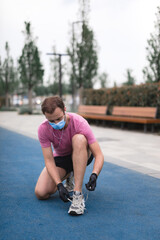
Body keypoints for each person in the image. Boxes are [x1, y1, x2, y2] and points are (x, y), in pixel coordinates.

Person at [35, 96, 104, 216]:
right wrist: (59, 185)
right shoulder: (43, 129)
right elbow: (49, 160)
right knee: (41, 193)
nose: (56, 123)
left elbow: (99, 154)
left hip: (82, 153)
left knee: (79, 138)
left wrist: (94, 175)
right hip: (62, 158)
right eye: (51, 121)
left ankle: (78, 194)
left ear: (65, 109)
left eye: (58, 118)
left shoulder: (79, 122)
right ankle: (69, 174)